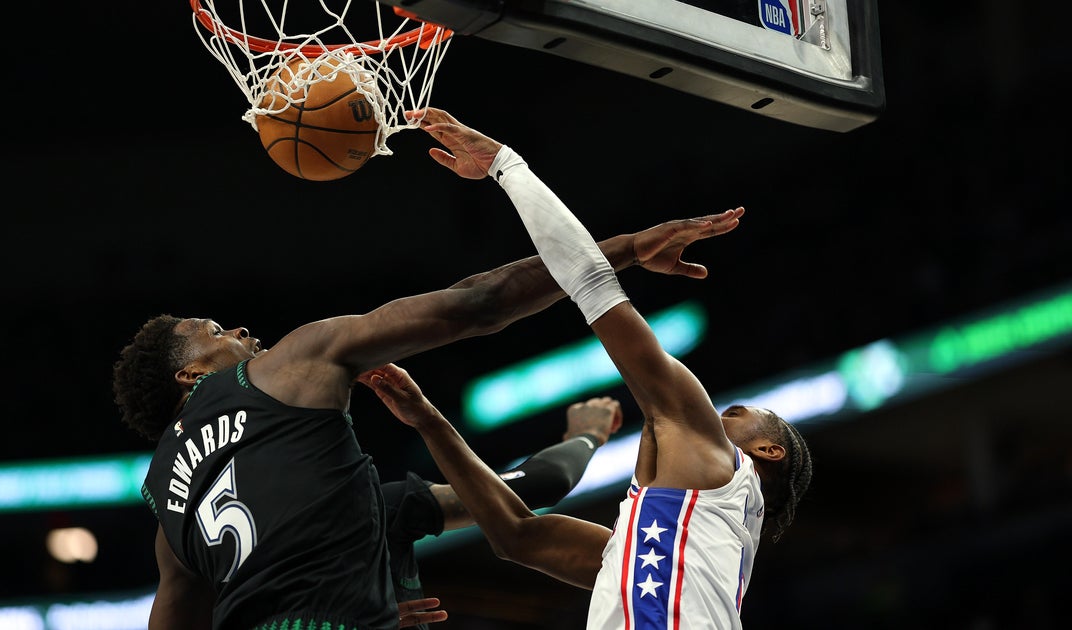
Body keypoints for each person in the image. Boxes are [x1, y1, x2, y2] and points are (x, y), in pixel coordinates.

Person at [111, 185, 740, 629]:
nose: (240, 331)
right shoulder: (286, 367)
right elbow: (478, 303)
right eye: (215, 330)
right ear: (189, 374)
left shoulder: (168, 518)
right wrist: (622, 251)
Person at [359, 107, 814, 628]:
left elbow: (591, 281)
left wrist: (505, 165)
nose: (714, 412)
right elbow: (516, 535)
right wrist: (428, 420)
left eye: (733, 413)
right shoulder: (679, 546)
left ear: (767, 451)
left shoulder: (717, 463)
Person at [382, 396, 622, 628]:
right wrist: (427, 420)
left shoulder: (376, 511)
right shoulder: (639, 567)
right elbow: (531, 502)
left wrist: (429, 421)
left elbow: (519, 531)